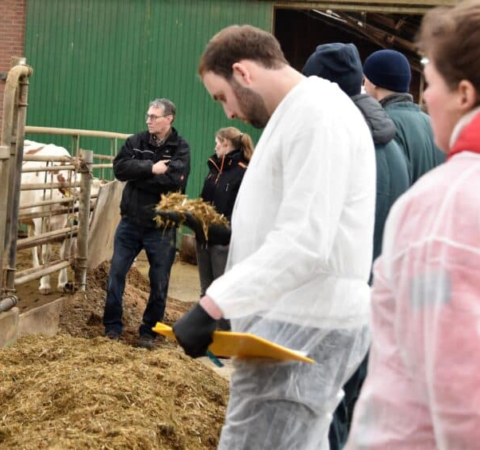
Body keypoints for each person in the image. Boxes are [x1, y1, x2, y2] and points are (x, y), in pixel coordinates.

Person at [173, 26, 375, 449]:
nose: (227, 114)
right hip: (289, 323)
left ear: (243, 73)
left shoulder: (317, 115)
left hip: (305, 324)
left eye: (221, 97)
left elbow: (304, 240)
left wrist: (215, 302)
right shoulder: (297, 115)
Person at [347, 2, 480, 448]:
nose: (426, 97)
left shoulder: (445, 206)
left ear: (463, 94)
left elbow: (460, 383)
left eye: (434, 82)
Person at [302, 42, 412, 450]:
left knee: (327, 415)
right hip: (375, 302)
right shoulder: (391, 144)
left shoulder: (344, 144)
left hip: (337, 306)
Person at [103, 98, 191, 350]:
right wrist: (151, 169)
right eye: (148, 116)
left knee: (159, 281)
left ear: (169, 118)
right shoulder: (136, 141)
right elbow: (119, 169)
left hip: (161, 227)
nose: (148, 120)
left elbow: (175, 181)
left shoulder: (180, 147)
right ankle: (112, 328)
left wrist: (138, 176)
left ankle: (149, 332)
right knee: (116, 274)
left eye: (154, 116)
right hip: (130, 222)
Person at [194, 127, 253, 330]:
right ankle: (206, 336)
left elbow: (244, 210)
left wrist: (227, 233)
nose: (215, 146)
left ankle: (226, 336)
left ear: (226, 143)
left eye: (217, 143)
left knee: (223, 291)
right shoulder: (213, 171)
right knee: (206, 290)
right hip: (204, 238)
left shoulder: (243, 172)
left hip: (224, 242)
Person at [363, 48, 445, 182]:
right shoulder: (431, 123)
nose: (364, 86)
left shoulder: (384, 126)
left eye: (364, 79)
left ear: (373, 82)